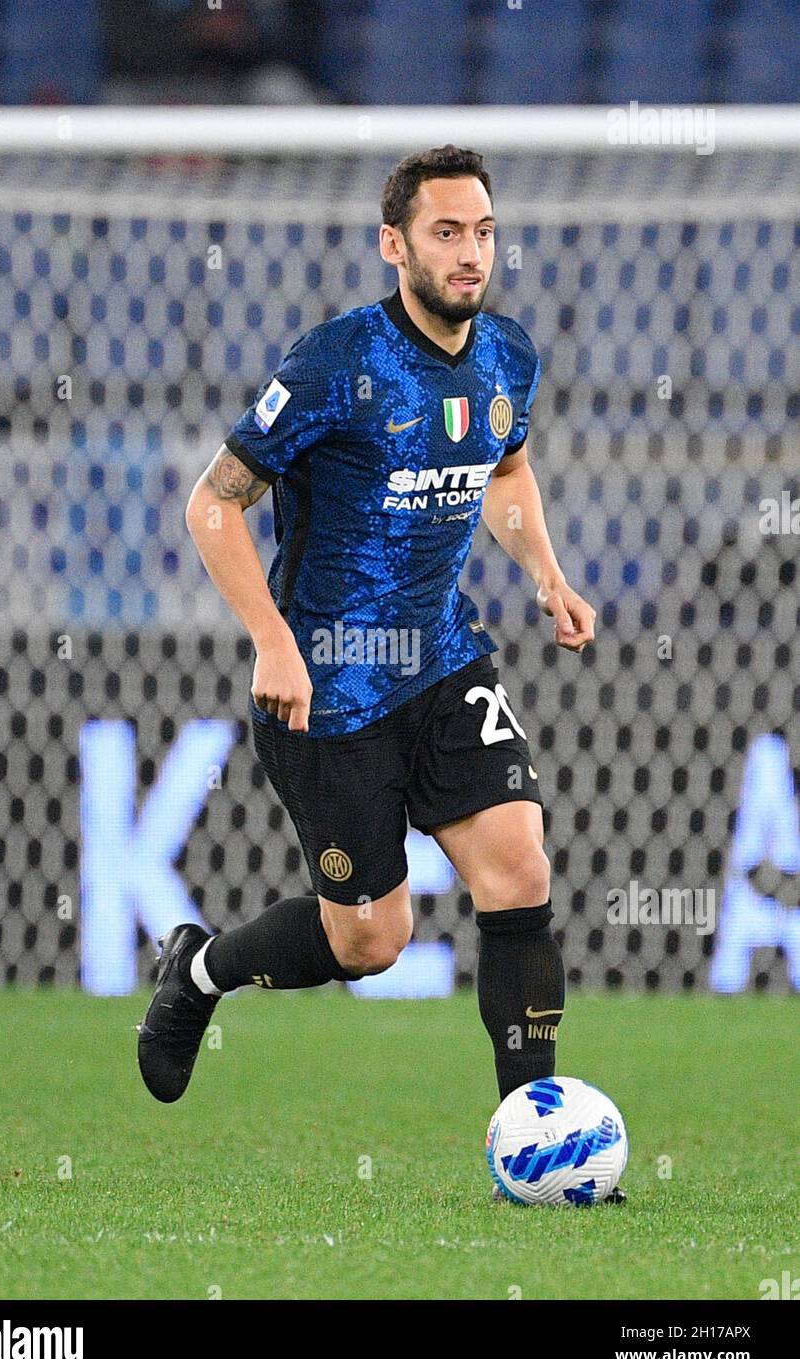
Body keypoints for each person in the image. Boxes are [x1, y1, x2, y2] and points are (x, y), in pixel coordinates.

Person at [137, 144, 617, 1197]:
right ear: (393, 244)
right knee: (372, 941)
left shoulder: (507, 356)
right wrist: (272, 638)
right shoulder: (333, 363)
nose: (470, 253)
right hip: (330, 688)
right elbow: (213, 505)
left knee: (519, 869)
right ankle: (200, 969)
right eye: (446, 232)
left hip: (442, 661)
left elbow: (504, 465)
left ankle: (527, 1147)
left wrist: (545, 572)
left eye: (483, 231)